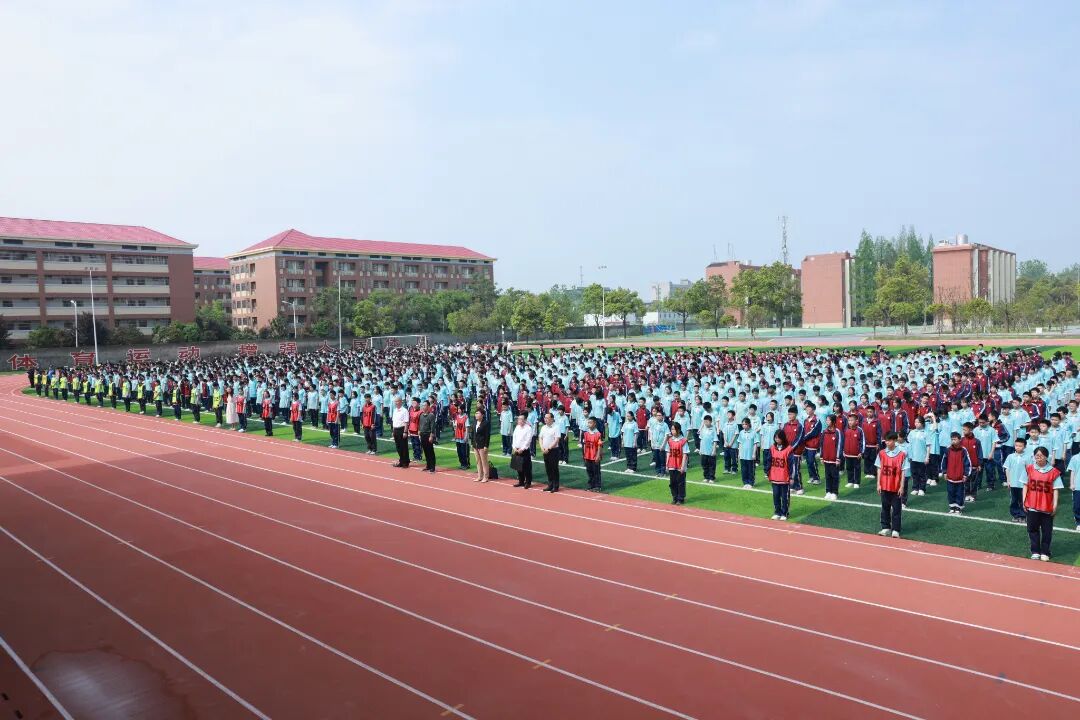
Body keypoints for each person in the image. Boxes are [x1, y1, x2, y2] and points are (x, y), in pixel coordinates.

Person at [1023, 447, 1062, 561]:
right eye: (1037, 456)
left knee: (1047, 531)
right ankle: (1035, 551)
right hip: (1032, 505)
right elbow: (1025, 485)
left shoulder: (1054, 472)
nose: (1039, 458)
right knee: (1032, 529)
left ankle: (1045, 552)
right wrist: (1024, 500)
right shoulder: (1029, 469)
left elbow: (1055, 490)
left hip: (1047, 507)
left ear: (1046, 456)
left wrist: (1055, 505)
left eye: (1041, 456)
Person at [876, 431, 909, 538]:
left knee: (896, 509)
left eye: (889, 440)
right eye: (886, 440)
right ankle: (885, 527)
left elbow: (903, 471)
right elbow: (879, 469)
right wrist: (878, 484)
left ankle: (896, 529)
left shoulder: (902, 454)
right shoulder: (881, 453)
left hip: (896, 487)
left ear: (895, 441)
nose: (887, 442)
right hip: (884, 486)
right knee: (885, 507)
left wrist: (902, 486)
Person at [940, 432, 972, 514]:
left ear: (959, 440)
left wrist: (965, 474)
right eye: (952, 439)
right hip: (950, 477)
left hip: (960, 477)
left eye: (955, 439)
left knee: (959, 493)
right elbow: (944, 461)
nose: (953, 441)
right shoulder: (948, 449)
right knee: (950, 492)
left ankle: (958, 508)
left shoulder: (963, 450)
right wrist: (944, 472)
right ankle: (952, 507)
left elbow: (967, 463)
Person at [765, 430, 795, 521]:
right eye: (775, 438)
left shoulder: (789, 449)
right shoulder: (772, 448)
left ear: (783, 438)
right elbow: (768, 461)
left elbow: (791, 464)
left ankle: (784, 513)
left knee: (785, 496)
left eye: (778, 438)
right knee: (776, 495)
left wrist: (791, 477)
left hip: (784, 477)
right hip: (774, 477)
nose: (776, 439)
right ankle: (777, 512)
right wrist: (767, 473)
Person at [1003, 437, 1030, 522]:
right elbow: (1007, 469)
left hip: (1023, 484)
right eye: (1016, 445)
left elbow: (1029, 470)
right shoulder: (1010, 456)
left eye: (1020, 446)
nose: (1018, 447)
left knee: (1023, 500)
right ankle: (1015, 515)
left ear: (1024, 447)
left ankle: (1023, 515)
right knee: (1014, 500)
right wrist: (1008, 481)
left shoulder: (1028, 457)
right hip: (1013, 483)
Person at [819, 414, 844, 500]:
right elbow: (821, 445)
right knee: (827, 476)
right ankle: (828, 491)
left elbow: (839, 446)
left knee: (835, 476)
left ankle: (834, 492)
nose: (827, 422)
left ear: (833, 422)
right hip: (826, 459)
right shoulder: (824, 432)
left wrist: (837, 458)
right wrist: (822, 457)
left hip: (834, 459)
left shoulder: (838, 432)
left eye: (829, 420)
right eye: (826, 420)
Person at [666, 421, 689, 505]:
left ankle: (680, 498)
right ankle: (674, 497)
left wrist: (683, 466)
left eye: (673, 429)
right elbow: (668, 452)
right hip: (672, 464)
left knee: (680, 482)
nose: (672, 431)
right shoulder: (670, 440)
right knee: (672, 482)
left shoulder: (683, 441)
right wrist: (667, 463)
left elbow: (685, 454)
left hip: (680, 465)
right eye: (671, 429)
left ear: (678, 430)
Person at [539, 412, 562, 492]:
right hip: (545, 451)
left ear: (552, 419)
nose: (545, 419)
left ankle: (556, 486)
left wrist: (549, 448)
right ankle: (550, 484)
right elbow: (540, 438)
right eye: (545, 418)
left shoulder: (556, 427)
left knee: (554, 468)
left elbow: (557, 439)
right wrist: (542, 448)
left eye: (547, 418)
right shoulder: (543, 427)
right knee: (548, 468)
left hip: (553, 450)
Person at [511, 414, 535, 488]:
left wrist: (522, 448)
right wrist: (514, 447)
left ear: (524, 420)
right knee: (518, 467)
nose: (519, 421)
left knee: (526, 467)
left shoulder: (528, 428)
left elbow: (528, 440)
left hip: (524, 450)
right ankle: (521, 481)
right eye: (518, 419)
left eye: (521, 419)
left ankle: (528, 482)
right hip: (516, 449)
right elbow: (514, 437)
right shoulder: (517, 427)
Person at [581, 417, 604, 492]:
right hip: (587, 455)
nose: (589, 424)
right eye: (588, 422)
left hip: (594, 456)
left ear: (594, 424)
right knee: (589, 471)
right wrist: (584, 454)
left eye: (590, 422)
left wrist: (598, 456)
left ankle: (597, 486)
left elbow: (599, 446)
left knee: (596, 471)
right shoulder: (586, 433)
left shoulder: (598, 434)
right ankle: (591, 485)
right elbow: (584, 444)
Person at [736, 418, 759, 489]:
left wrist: (754, 454)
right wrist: (739, 453)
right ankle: (745, 482)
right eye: (743, 424)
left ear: (749, 424)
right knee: (743, 469)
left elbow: (755, 444)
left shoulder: (753, 432)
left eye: (745, 424)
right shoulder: (741, 432)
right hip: (743, 454)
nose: (744, 426)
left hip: (750, 455)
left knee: (750, 469)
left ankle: (751, 482)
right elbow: (740, 443)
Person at [472, 409, 491, 482]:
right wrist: (472, 443)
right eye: (475, 413)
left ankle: (486, 476)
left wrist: (486, 445)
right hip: (475, 444)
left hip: (482, 445)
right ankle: (479, 476)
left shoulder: (486, 423)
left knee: (484, 461)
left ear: (482, 415)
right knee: (478, 461)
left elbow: (487, 435)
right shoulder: (474, 422)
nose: (476, 415)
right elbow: (472, 433)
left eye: (478, 413)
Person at [391, 397, 410, 468]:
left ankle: (406, 462)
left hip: (402, 429)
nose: (396, 403)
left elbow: (406, 422)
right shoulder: (395, 410)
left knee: (404, 446)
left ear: (401, 402)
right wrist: (393, 431)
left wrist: (405, 431)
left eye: (397, 401)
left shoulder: (404, 411)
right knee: (398, 447)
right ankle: (401, 461)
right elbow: (394, 421)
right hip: (396, 429)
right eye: (395, 402)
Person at [699, 414, 718, 483]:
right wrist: (700, 449)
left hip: (710, 451)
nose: (705, 423)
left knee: (712, 465)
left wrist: (714, 450)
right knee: (704, 465)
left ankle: (711, 478)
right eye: (704, 422)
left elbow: (715, 440)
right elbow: (701, 439)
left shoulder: (713, 429)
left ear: (710, 422)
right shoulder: (703, 429)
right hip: (703, 451)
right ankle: (706, 477)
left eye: (707, 422)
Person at [418, 400, 437, 472]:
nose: (423, 407)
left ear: (428, 407)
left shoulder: (431, 415)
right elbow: (419, 425)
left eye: (425, 405)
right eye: (423, 405)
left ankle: (432, 466)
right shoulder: (421, 415)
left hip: (428, 435)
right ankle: (428, 465)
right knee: (425, 451)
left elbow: (433, 427)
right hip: (422, 435)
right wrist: (419, 432)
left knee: (430, 451)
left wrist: (431, 436)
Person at [1067, 448, 1080, 531]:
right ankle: (1079, 522)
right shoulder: (1075, 458)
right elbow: (1072, 471)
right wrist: (1072, 484)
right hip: (1078, 486)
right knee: (1077, 505)